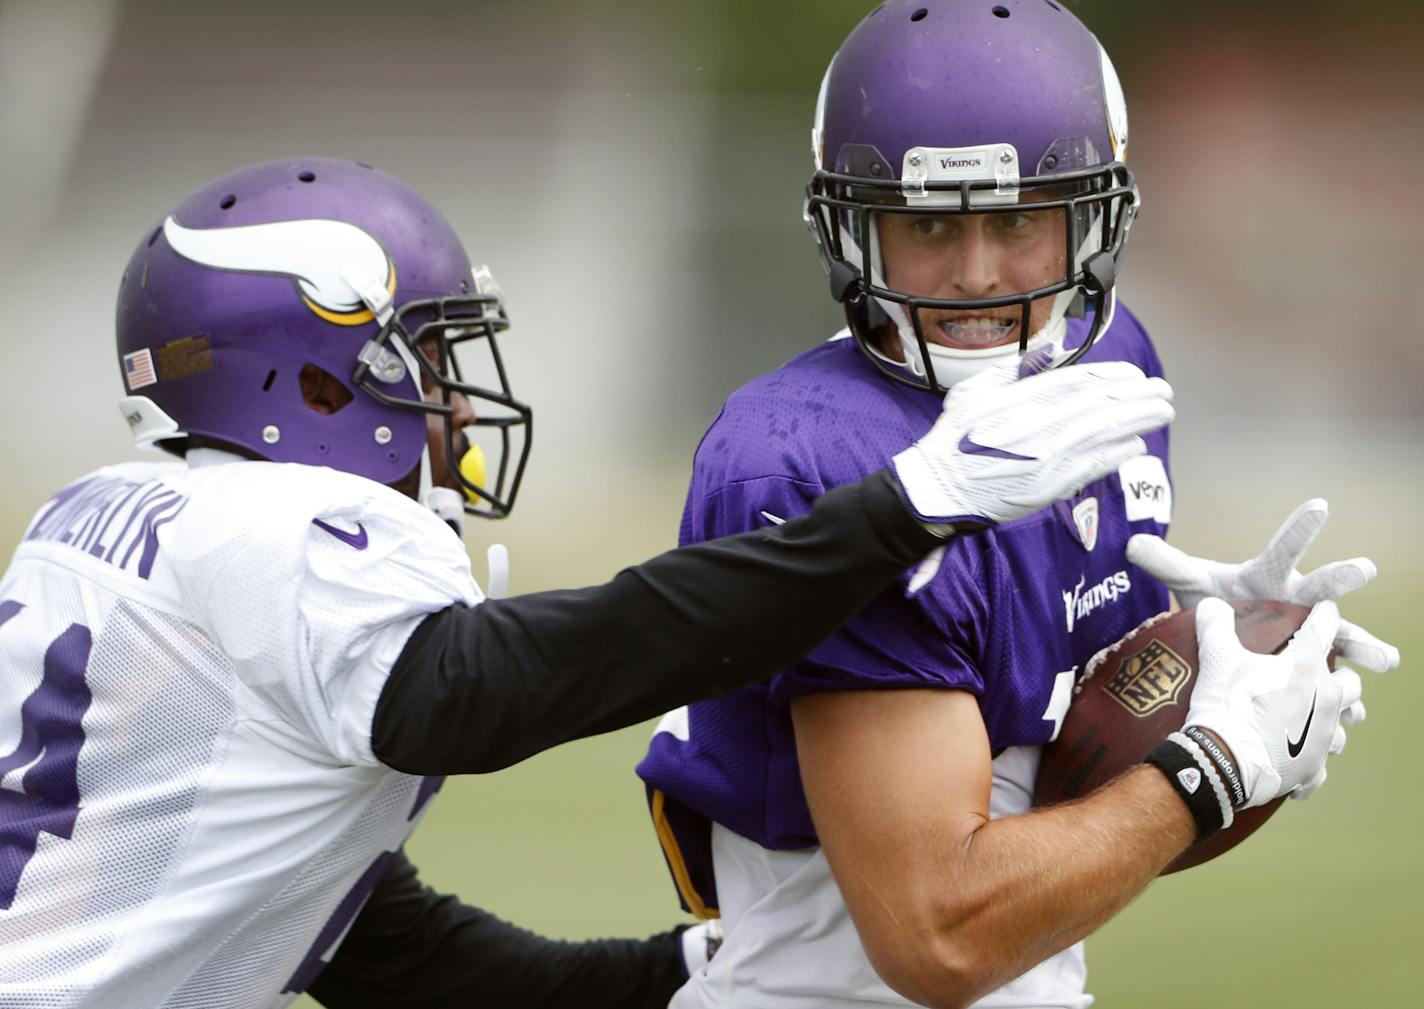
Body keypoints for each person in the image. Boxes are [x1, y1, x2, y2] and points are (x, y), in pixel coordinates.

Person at [0, 156, 1175, 1009]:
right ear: (310, 387)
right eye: (431, 362)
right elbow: (505, 684)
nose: (458, 408)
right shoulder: (283, 532)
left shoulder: (100, 518)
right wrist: (903, 508)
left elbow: (399, 957)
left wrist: (718, 974)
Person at [636, 3, 1398, 1008]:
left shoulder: (1108, 371)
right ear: (847, 225)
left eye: (1016, 221)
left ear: (1094, 222)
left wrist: (1218, 644)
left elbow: (1052, 722)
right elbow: (936, 934)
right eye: (927, 224)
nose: (975, 275)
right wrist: (1211, 763)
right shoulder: (810, 459)